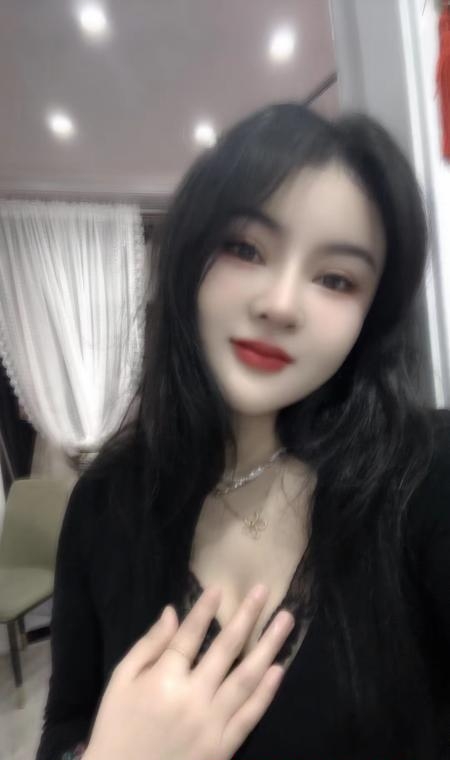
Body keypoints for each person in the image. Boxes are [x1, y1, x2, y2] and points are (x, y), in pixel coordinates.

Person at [35, 102, 450, 760]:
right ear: (188, 255)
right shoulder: (105, 502)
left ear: (372, 316)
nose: (280, 305)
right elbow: (64, 726)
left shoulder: (427, 476)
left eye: (336, 279)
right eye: (245, 249)